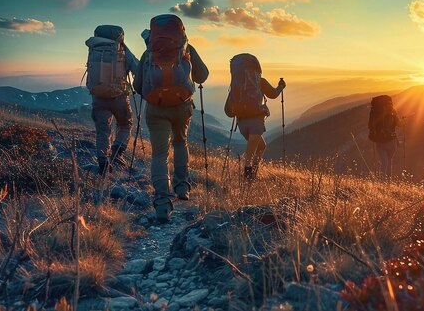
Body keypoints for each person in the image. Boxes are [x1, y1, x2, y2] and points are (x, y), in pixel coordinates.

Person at [134, 14, 208, 222]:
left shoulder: (148, 53)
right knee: (180, 143)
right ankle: (182, 187)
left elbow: (138, 86)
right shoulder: (187, 49)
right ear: (181, 30)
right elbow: (203, 76)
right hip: (182, 106)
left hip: (156, 109)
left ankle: (162, 204)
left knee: (159, 154)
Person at [85, 25, 139, 176]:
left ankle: (103, 164)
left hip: (98, 98)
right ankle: (117, 150)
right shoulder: (123, 51)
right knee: (125, 124)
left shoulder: (94, 49)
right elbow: (137, 70)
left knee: (102, 131)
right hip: (119, 98)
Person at [224, 54, 285, 180]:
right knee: (251, 152)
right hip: (257, 122)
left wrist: (239, 109)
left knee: (261, 147)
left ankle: (252, 173)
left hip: (241, 124)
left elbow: (228, 111)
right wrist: (281, 86)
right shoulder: (260, 81)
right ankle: (249, 175)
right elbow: (273, 94)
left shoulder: (235, 86)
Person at [368, 95, 402, 180]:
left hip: (379, 141)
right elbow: (400, 124)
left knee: (384, 162)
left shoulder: (374, 111)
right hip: (391, 141)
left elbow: (370, 125)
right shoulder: (392, 111)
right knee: (389, 161)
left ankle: (382, 182)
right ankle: (387, 182)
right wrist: (404, 121)